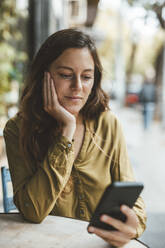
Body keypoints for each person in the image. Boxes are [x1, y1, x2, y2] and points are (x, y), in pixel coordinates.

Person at [3, 28, 146, 247]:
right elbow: (33, 211)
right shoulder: (17, 129)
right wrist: (67, 129)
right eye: (66, 75)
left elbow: (133, 202)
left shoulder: (107, 123)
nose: (78, 87)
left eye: (86, 77)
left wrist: (132, 226)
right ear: (44, 75)